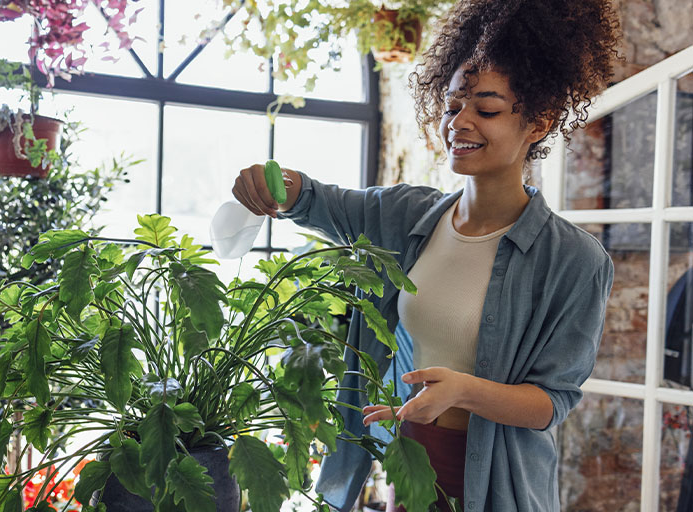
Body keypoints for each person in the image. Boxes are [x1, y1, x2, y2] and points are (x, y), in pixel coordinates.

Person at [230, 0, 621, 510]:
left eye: (486, 108)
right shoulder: (405, 216)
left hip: (497, 479)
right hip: (409, 462)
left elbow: (552, 402)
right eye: (453, 104)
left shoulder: (574, 260)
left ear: (540, 121)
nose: (460, 122)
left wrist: (463, 391)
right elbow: (317, 201)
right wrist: (274, 185)